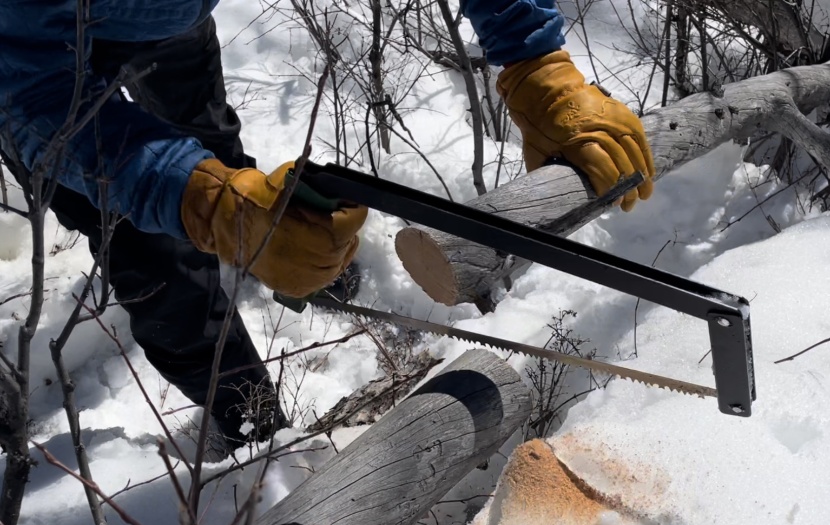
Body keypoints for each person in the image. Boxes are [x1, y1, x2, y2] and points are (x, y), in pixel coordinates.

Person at [0, 1, 654, 455]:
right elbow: (31, 98)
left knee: (217, 152)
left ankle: (298, 254)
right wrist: (200, 203)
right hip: (28, 56)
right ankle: (249, 417)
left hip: (168, 23)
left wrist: (534, 58)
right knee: (148, 250)